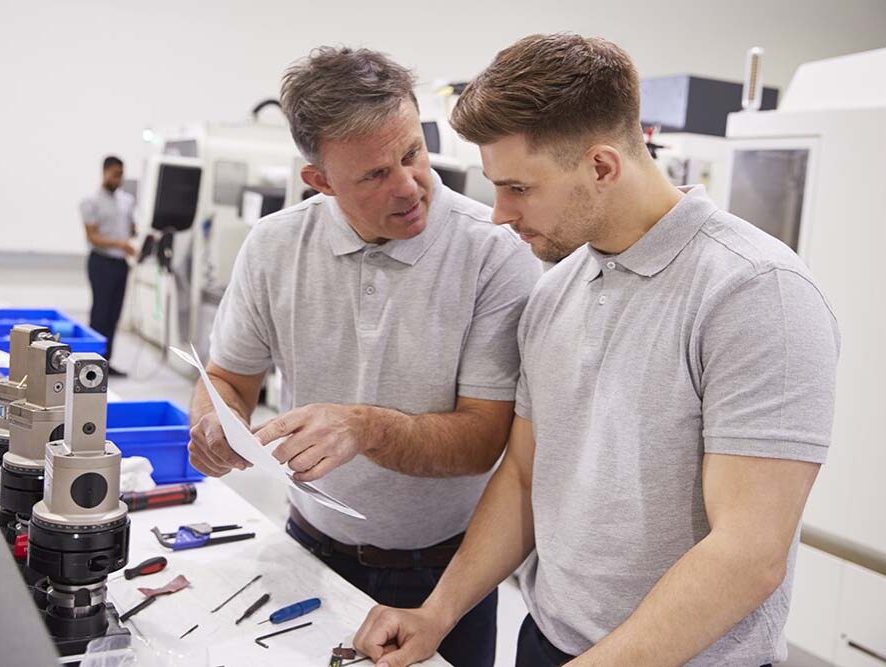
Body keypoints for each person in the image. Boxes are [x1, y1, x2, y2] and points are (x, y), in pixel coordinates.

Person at [354, 33, 840, 667]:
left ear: (602, 167)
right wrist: (438, 612)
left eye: (518, 188)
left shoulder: (756, 292)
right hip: (548, 640)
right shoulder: (556, 290)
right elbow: (525, 474)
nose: (499, 215)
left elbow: (748, 554)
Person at [186, 47, 541, 667]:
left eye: (412, 154)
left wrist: (364, 428)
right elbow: (226, 378)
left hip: (444, 573)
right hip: (308, 548)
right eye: (374, 175)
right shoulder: (275, 247)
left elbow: (482, 442)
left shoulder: (494, 253)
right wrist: (216, 424)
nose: (408, 186)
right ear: (320, 180)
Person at [80, 155, 136, 376]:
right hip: (101, 262)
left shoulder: (127, 201)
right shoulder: (90, 201)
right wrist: (119, 244)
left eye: (121, 175)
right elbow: (92, 236)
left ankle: (106, 361)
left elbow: (132, 229)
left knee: (114, 315)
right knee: (100, 314)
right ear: (105, 172)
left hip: (121, 264)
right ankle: (91, 364)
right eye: (115, 174)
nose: (118, 179)